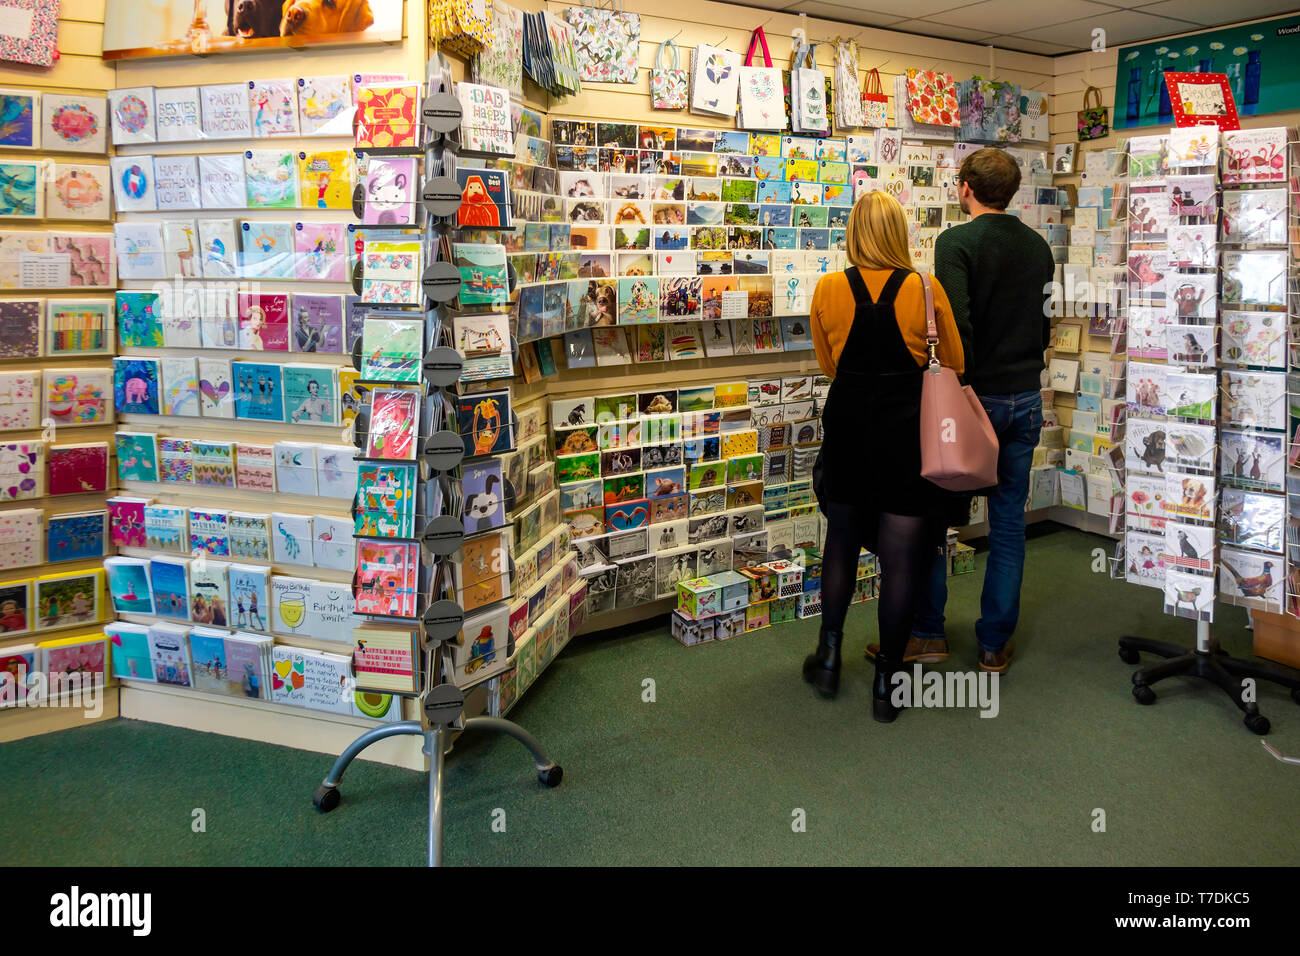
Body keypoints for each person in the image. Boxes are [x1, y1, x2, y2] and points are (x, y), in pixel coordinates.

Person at [885, 147, 1056, 674]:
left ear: (964, 187)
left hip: (970, 401)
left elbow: (955, 327)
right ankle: (992, 645)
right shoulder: (1038, 248)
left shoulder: (955, 242)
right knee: (1008, 525)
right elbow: (1044, 325)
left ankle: (928, 634)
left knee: (935, 521)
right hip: (1026, 396)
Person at [804, 190, 966, 722]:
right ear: (899, 232)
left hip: (849, 427)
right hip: (907, 434)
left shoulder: (829, 287)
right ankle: (889, 681)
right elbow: (955, 363)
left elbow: (829, 363)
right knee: (902, 559)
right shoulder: (925, 287)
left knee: (841, 542)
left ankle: (829, 655)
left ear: (854, 232)